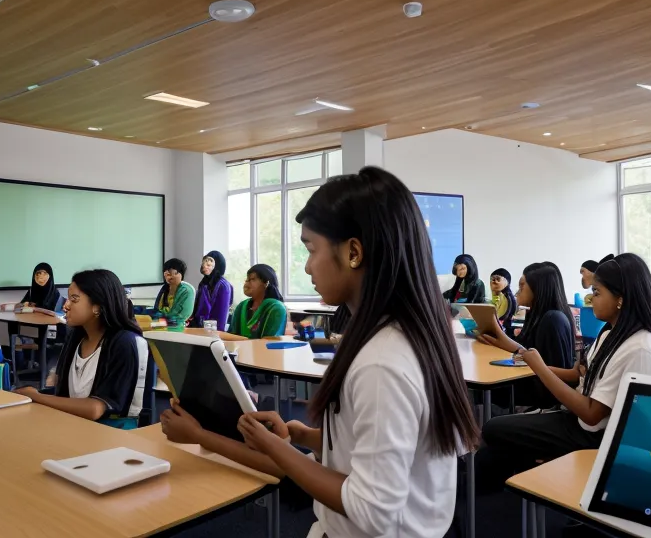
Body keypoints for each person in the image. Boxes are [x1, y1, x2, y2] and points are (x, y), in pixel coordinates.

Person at [159, 166, 477, 537]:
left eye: (311, 249)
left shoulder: (383, 363)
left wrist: (272, 447)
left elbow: (371, 511)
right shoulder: (407, 334)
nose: (308, 266)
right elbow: (396, 449)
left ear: (353, 252)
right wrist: (306, 436)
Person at [476, 253, 651, 486]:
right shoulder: (611, 333)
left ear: (620, 299)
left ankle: (525, 484)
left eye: (597, 293)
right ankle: (510, 484)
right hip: (579, 420)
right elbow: (576, 375)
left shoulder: (640, 348)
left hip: (595, 435)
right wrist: (530, 362)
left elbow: (592, 414)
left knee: (494, 430)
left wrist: (540, 368)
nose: (591, 300)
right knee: (495, 441)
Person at [15, 270, 150, 428]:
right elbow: (64, 395)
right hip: (76, 424)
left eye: (74, 299)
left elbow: (96, 409)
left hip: (113, 431)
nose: (66, 306)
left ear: (97, 307)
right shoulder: (76, 337)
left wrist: (36, 396)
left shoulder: (123, 343)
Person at [478, 262, 576, 410]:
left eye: (522, 286)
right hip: (529, 386)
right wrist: (500, 339)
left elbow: (551, 382)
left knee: (478, 390)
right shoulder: (537, 315)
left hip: (538, 399)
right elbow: (527, 352)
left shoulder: (552, 319)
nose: (518, 292)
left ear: (538, 288)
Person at [228, 264, 288, 339]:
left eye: (252, 279)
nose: (246, 283)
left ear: (266, 283)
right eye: (247, 279)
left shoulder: (276, 308)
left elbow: (268, 342)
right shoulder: (241, 306)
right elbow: (231, 335)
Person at [192, 250, 234, 330]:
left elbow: (220, 319)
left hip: (213, 332)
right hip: (199, 330)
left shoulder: (223, 286)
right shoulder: (203, 283)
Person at [153, 258, 195, 328]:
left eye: (175, 273)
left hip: (178, 327)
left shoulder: (186, 290)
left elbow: (182, 317)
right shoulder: (164, 288)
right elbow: (156, 311)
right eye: (167, 273)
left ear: (181, 275)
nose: (169, 276)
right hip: (161, 325)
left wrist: (158, 323)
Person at [489, 268, 518, 333]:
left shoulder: (505, 296)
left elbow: (499, 316)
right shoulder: (498, 294)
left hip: (503, 330)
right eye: (492, 279)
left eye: (498, 279)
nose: (494, 282)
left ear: (506, 282)